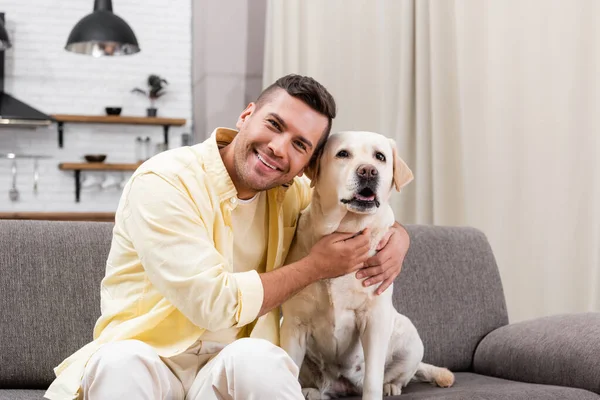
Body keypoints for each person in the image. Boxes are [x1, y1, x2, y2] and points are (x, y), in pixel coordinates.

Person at [44, 74, 411, 400]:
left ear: (309, 165)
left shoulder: (291, 191)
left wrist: (399, 237)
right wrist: (314, 267)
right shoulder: (165, 181)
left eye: (300, 145)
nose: (279, 148)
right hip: (150, 360)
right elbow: (212, 302)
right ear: (246, 115)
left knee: (260, 359)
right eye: (274, 124)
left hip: (225, 371)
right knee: (119, 363)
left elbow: (347, 205)